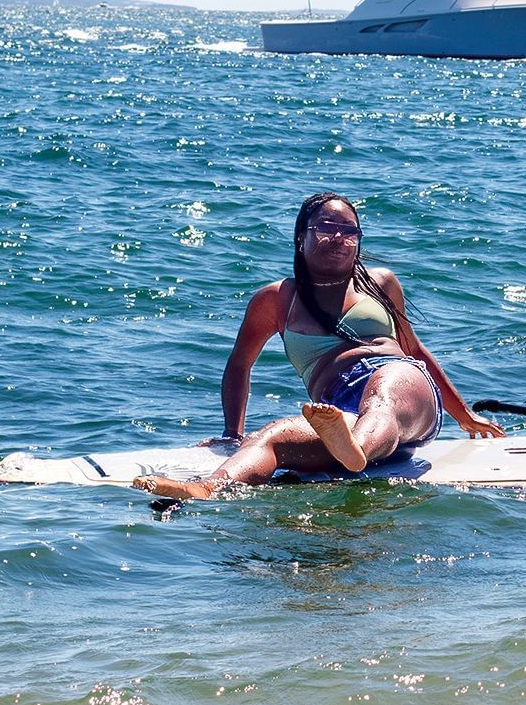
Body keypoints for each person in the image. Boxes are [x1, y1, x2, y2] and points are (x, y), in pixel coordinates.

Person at [134, 192, 503, 499]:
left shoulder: (381, 283)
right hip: (336, 414)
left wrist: (463, 415)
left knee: (383, 394)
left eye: (349, 231)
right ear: (300, 236)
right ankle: (207, 488)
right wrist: (233, 432)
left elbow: (415, 351)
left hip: (404, 388)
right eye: (326, 227)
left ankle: (354, 451)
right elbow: (239, 364)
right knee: (273, 437)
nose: (339, 237)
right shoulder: (277, 299)